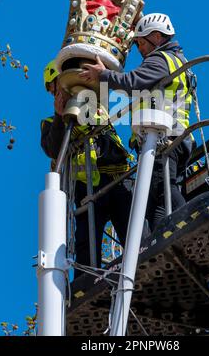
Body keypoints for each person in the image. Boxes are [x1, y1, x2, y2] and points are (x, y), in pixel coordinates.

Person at [79, 13, 194, 232]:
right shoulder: (177, 61)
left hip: (162, 138)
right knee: (157, 196)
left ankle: (172, 236)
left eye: (141, 42)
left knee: (162, 193)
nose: (139, 50)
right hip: (175, 138)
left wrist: (104, 75)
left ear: (157, 37)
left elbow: (132, 82)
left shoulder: (160, 60)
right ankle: (167, 235)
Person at [41, 60, 133, 277]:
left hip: (117, 180)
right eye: (55, 86)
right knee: (86, 243)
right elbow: (54, 149)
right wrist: (59, 116)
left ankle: (143, 267)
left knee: (134, 233)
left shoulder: (98, 106)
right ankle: (88, 281)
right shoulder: (50, 122)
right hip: (86, 188)